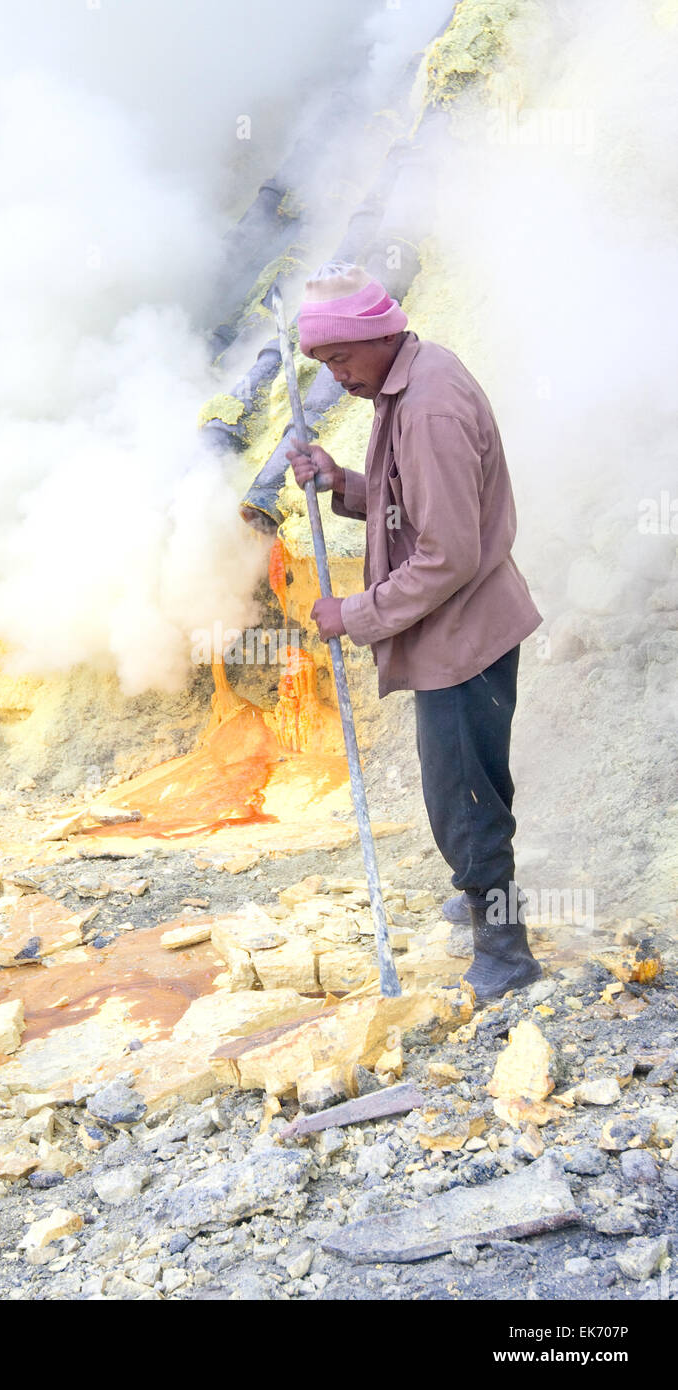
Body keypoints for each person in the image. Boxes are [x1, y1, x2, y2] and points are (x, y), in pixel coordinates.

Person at [285, 261, 543, 1000]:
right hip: (461, 629)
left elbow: (448, 552)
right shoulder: (414, 378)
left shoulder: (427, 406)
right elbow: (414, 506)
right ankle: (483, 905)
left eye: (340, 358)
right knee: (470, 783)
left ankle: (505, 948)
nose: (336, 377)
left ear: (377, 334)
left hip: (463, 637)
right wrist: (343, 484)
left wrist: (356, 613)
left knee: (463, 794)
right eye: (325, 364)